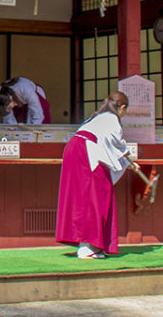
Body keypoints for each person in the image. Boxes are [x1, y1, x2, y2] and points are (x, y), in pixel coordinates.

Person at [56, 90, 139, 259]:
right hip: (88, 153)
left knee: (81, 198)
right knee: (97, 197)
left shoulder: (97, 117)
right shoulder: (113, 120)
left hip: (75, 150)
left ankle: (87, 243)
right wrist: (128, 162)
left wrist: (126, 162)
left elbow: (112, 146)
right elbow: (118, 146)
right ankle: (88, 246)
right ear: (122, 108)